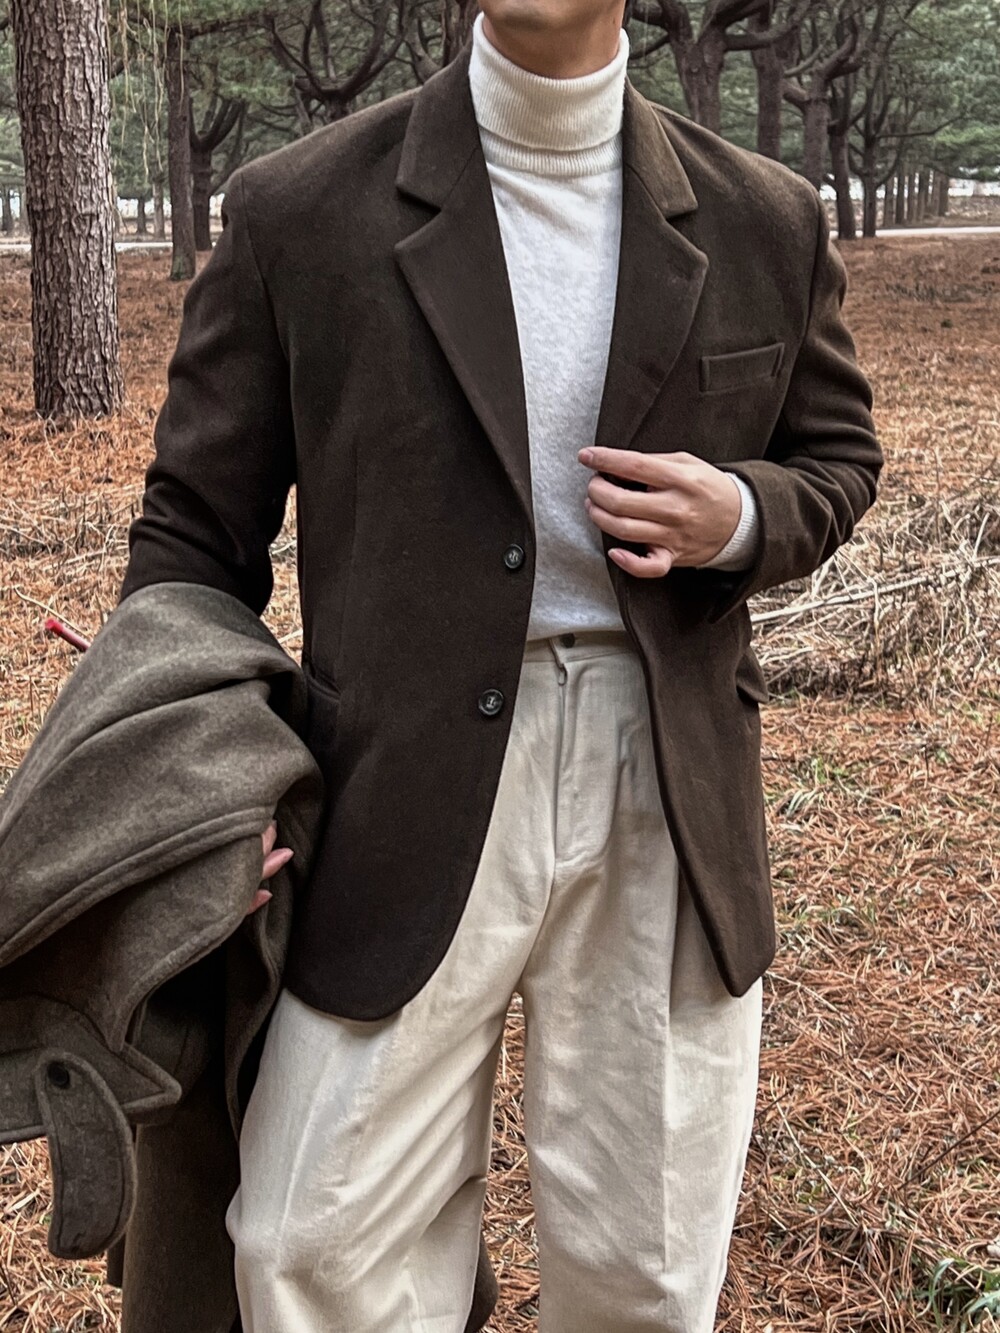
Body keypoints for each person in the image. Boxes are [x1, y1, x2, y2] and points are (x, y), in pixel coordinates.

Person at [118, 0, 882, 1327]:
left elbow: (838, 460)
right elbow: (193, 532)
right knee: (311, 1243)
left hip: (667, 785)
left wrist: (741, 515)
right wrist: (189, 780)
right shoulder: (300, 210)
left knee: (644, 1272)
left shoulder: (764, 217)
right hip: (393, 779)